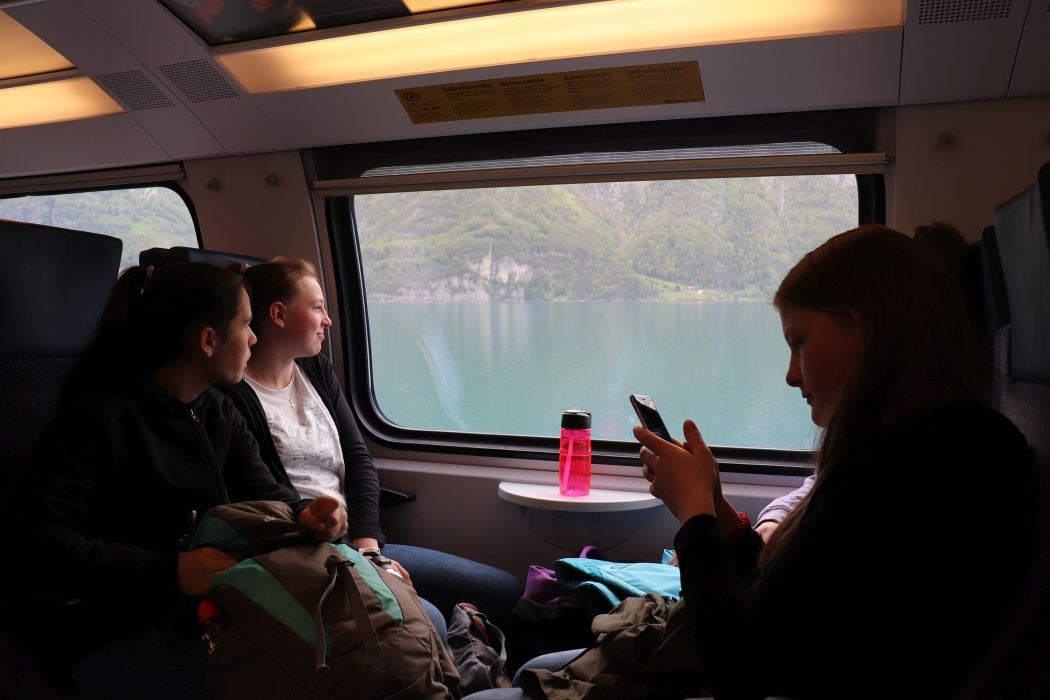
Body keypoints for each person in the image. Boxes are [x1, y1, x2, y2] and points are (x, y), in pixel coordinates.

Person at [635, 224, 1034, 698]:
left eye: (799, 341)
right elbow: (789, 600)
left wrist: (694, 513)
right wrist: (719, 514)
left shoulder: (902, 470)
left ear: (863, 329)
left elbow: (740, 667)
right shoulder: (940, 442)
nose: (790, 375)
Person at [28, 263, 346, 698]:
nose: (254, 339)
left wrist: (306, 514)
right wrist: (171, 571)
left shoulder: (217, 411)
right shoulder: (97, 420)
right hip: (114, 629)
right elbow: (40, 542)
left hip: (204, 612)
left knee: (346, 657)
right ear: (208, 341)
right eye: (246, 325)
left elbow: (266, 493)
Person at [219, 257, 523, 624]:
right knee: (430, 621)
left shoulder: (315, 369)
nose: (328, 320)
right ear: (279, 315)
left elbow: (358, 458)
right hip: (306, 551)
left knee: (507, 591)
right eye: (317, 308)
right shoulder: (233, 396)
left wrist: (369, 547)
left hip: (355, 543)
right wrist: (352, 557)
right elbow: (269, 498)